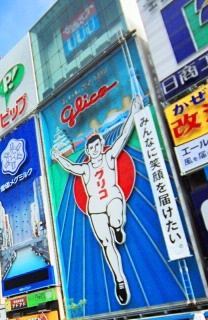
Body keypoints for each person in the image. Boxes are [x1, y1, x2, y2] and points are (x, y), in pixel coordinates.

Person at [51, 95, 143, 305]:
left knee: (116, 217)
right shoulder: (85, 168)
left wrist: (134, 111)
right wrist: (58, 157)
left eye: (96, 147)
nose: (94, 151)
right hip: (96, 208)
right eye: (90, 149)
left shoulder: (110, 156)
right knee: (106, 243)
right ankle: (120, 280)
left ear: (101, 146)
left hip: (112, 198)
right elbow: (70, 167)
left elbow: (124, 134)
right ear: (88, 151)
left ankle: (118, 226)